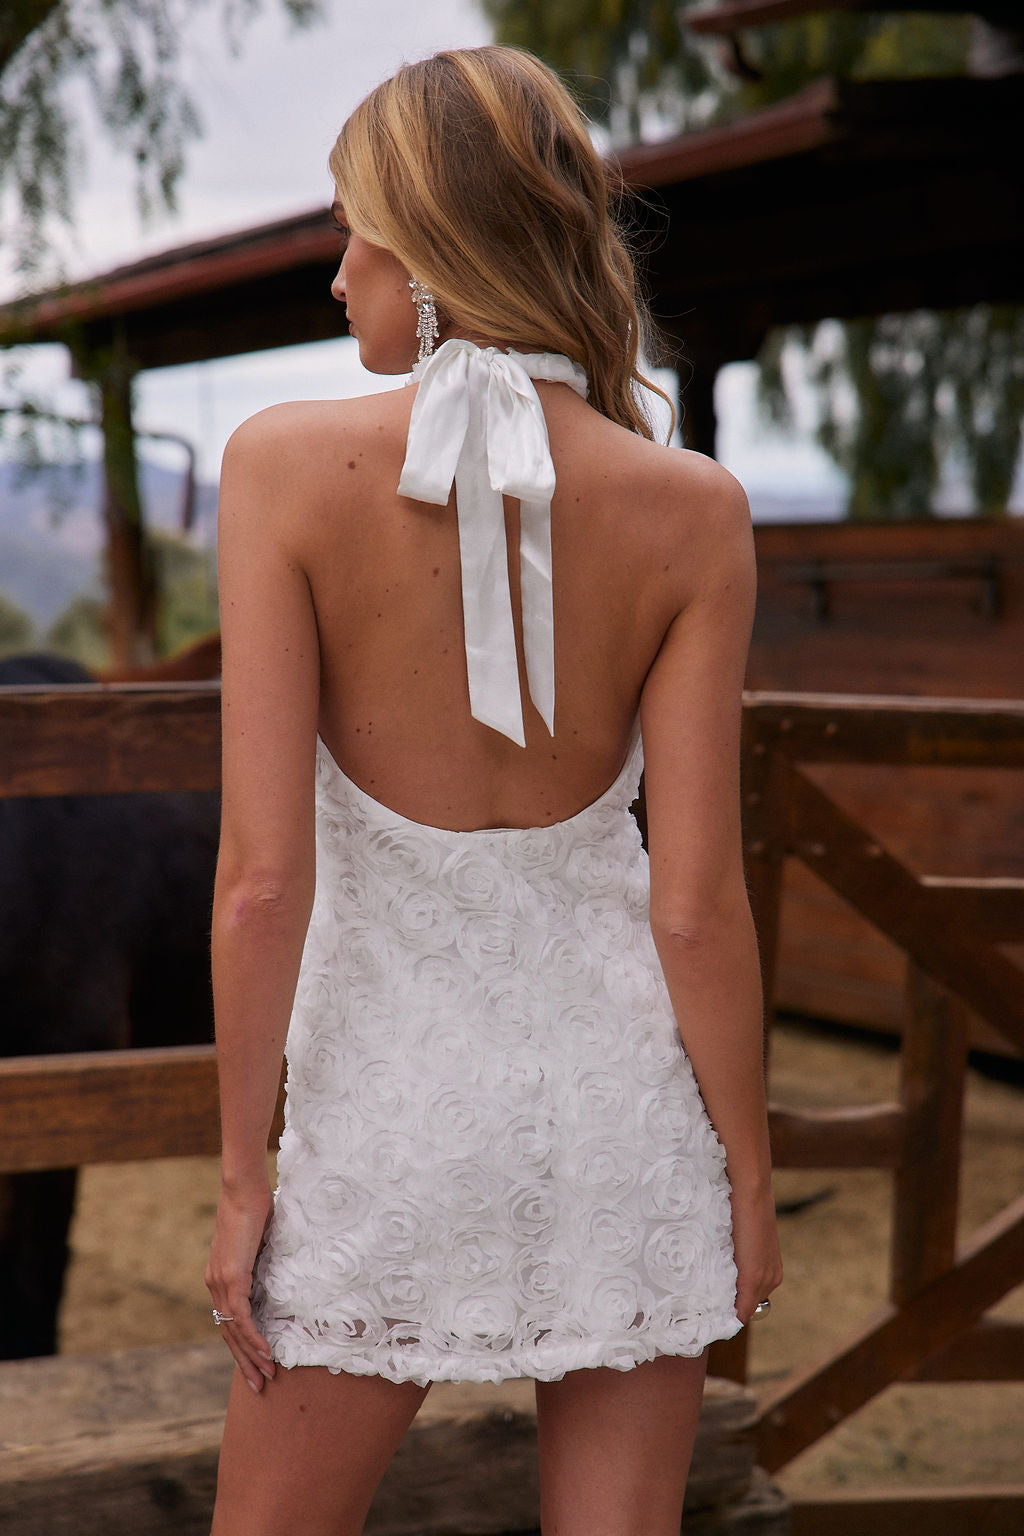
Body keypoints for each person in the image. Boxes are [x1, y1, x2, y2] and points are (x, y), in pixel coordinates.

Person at [204, 44, 782, 1536]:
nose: (339, 274)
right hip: (623, 1125)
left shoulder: (279, 468)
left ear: (435, 252)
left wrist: (240, 1176)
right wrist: (747, 1171)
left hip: (382, 1133)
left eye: (357, 232)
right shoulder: (696, 507)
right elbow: (697, 907)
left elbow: (263, 881)